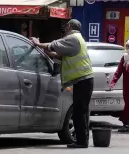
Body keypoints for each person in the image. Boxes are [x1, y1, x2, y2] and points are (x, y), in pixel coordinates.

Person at [30, 19, 94, 148]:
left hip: (83, 80)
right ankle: (82, 141)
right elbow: (61, 55)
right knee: (82, 111)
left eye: (66, 26)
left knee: (79, 112)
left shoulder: (73, 38)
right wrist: (48, 53)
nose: (65, 29)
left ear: (69, 26)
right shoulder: (78, 38)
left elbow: (53, 45)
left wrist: (38, 43)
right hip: (84, 80)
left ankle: (81, 142)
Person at [110, 39, 129, 132]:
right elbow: (119, 70)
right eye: (127, 47)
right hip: (127, 86)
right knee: (128, 104)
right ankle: (126, 123)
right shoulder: (124, 58)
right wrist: (113, 81)